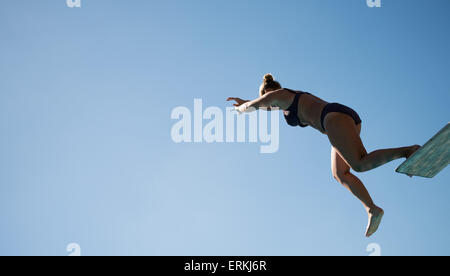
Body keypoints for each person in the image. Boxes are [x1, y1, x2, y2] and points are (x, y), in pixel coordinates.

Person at [227, 74, 421, 237]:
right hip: (337, 119)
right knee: (339, 173)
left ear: (266, 93)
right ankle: (372, 209)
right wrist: (249, 102)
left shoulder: (278, 94)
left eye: (265, 101)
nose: (268, 107)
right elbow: (263, 106)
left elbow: (254, 106)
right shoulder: (283, 101)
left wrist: (241, 107)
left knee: (359, 164)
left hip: (333, 118)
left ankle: (408, 151)